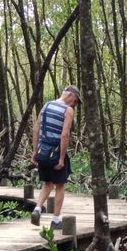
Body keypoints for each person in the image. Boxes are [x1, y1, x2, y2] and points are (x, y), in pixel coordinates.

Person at [30, 86, 81, 230]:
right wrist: (61, 159)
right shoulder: (67, 110)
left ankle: (37, 209)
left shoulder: (47, 105)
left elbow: (36, 128)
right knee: (60, 185)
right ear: (70, 96)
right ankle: (56, 220)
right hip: (56, 152)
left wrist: (35, 152)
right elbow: (65, 135)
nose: (75, 105)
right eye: (75, 101)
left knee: (47, 183)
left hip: (42, 150)